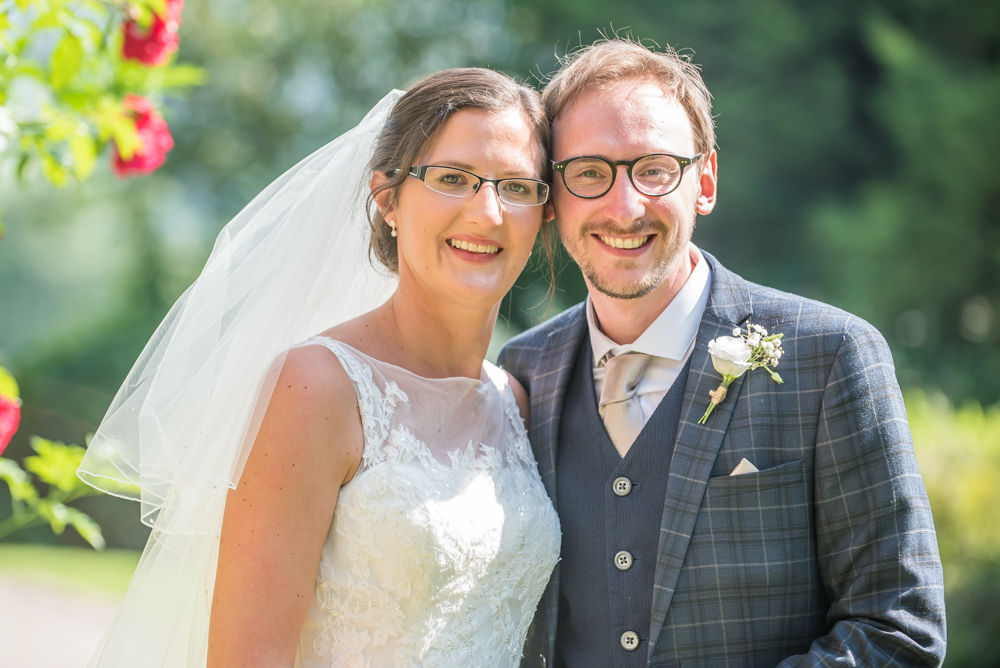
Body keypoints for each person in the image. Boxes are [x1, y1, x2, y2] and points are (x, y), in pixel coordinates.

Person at [78, 67, 560, 667]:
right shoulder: (316, 387)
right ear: (388, 198)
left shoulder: (514, 400)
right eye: (453, 179)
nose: (487, 213)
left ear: (544, 213)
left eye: (516, 187)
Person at [500, 38, 946, 667]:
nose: (623, 207)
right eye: (589, 172)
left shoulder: (832, 356)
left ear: (704, 181)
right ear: (553, 195)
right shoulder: (523, 372)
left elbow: (898, 628)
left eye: (654, 169)